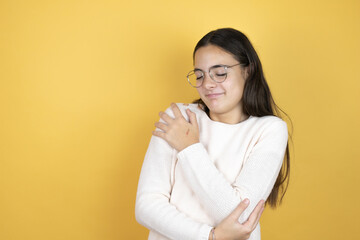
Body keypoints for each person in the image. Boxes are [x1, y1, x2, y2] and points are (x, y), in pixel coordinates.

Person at [135, 28, 291, 240]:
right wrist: (210, 236)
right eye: (199, 75)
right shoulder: (178, 118)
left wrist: (189, 148)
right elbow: (146, 206)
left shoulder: (269, 129)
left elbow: (241, 216)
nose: (207, 84)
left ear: (248, 70)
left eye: (220, 73)